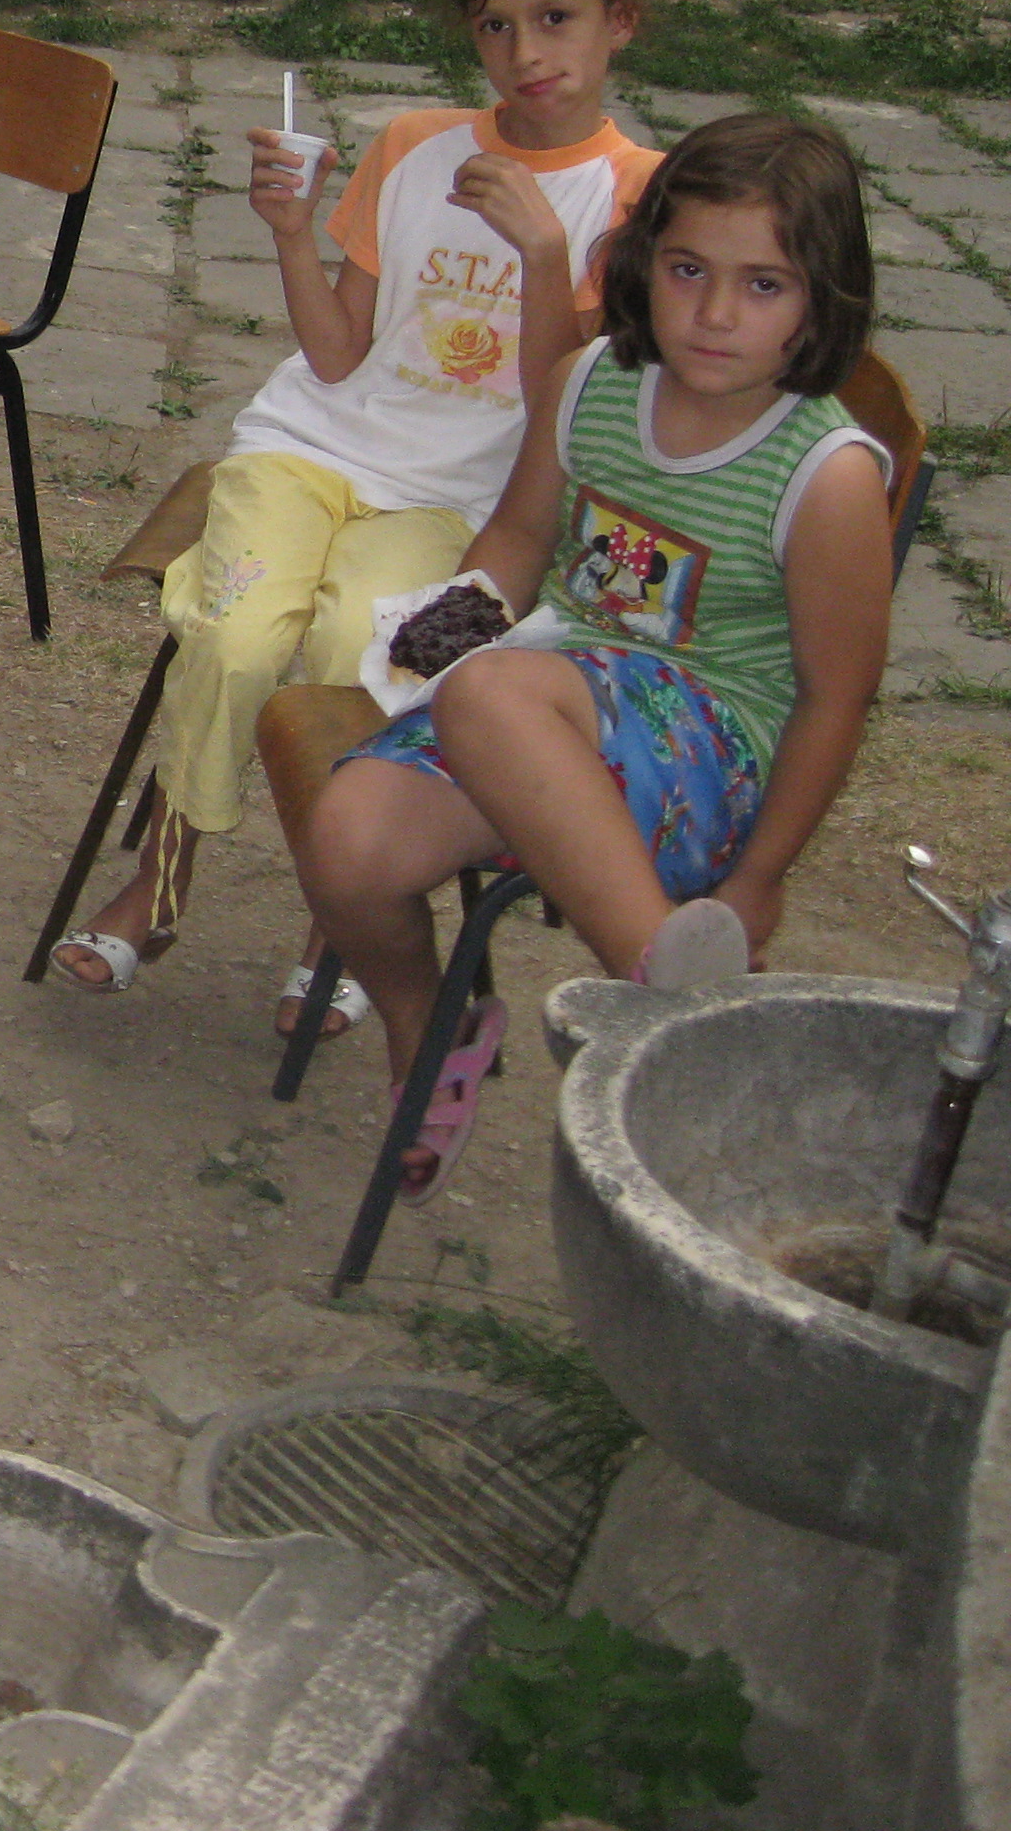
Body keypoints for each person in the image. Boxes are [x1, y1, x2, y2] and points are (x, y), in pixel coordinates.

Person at [52, 0, 658, 1038]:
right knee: (234, 635)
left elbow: (564, 413)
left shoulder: (634, 195)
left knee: (361, 659)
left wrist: (543, 252)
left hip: (467, 498)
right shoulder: (418, 147)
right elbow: (335, 355)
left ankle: (339, 919)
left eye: (556, 18)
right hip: (310, 450)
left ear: (618, 19)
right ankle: (161, 885)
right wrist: (292, 234)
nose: (525, 53)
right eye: (496, 24)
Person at [298, 113, 891, 1197]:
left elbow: (834, 700)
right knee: (348, 840)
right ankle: (430, 1033)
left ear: (823, 300)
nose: (716, 312)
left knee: (494, 696)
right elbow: (519, 540)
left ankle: (661, 998)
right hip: (542, 704)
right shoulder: (590, 383)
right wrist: (429, 651)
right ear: (640, 263)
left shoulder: (828, 475)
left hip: (710, 757)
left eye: (764, 285)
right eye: (687, 269)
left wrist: (759, 879)